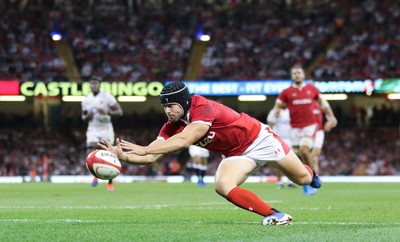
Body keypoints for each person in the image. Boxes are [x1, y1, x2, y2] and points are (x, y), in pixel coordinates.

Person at [98, 81, 322, 226]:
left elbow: (185, 140)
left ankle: (311, 173)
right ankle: (276, 215)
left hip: (260, 139)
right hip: (236, 154)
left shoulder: (203, 107)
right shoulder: (171, 125)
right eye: (165, 106)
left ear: (185, 102)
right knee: (222, 185)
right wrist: (122, 156)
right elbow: (151, 158)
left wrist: (145, 147)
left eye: (172, 106)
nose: (168, 111)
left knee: (302, 178)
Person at [273, 66, 337, 195]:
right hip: (294, 128)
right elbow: (277, 106)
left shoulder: (311, 89)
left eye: (299, 73)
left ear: (303, 75)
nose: (297, 75)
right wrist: (277, 111)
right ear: (292, 76)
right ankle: (306, 178)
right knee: (298, 156)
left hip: (309, 126)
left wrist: (331, 116)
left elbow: (324, 104)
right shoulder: (286, 92)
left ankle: (312, 177)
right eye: (294, 73)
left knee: (304, 150)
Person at [81, 76, 123, 192]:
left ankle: (110, 183)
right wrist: (87, 116)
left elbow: (119, 112)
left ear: (99, 84)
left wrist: (108, 112)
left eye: (96, 83)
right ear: (90, 85)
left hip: (106, 129)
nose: (94, 85)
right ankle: (95, 174)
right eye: (92, 83)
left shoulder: (107, 97)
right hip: (93, 128)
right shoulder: (86, 99)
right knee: (90, 151)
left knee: (109, 154)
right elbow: (84, 117)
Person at [266, 107, 295, 189]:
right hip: (278, 139)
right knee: (278, 161)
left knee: (292, 161)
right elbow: (269, 124)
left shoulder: (291, 110)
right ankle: (279, 182)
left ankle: (290, 182)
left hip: (290, 139)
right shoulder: (274, 111)